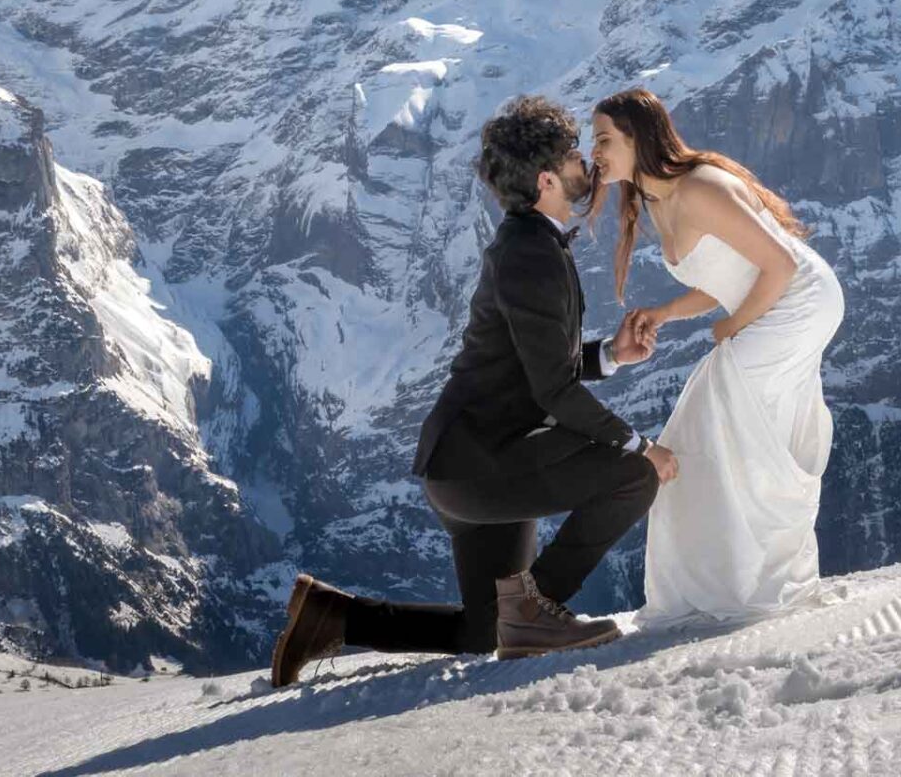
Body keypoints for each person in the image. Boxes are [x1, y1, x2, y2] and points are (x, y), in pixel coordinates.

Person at [272, 95, 678, 686]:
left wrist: (611, 355)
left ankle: (330, 617)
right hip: (485, 464)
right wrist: (644, 447)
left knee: (484, 631)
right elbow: (555, 395)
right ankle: (537, 616)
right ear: (546, 180)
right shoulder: (531, 255)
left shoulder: (527, 242)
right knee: (634, 476)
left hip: (472, 462)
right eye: (570, 156)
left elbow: (534, 368)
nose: (582, 163)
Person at [588, 86, 843, 629]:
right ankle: (736, 581)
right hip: (771, 301)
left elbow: (779, 266)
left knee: (713, 419)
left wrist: (732, 325)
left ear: (638, 137)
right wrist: (665, 313)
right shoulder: (655, 200)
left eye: (605, 139)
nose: (596, 152)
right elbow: (727, 273)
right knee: (723, 433)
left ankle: (742, 584)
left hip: (800, 301)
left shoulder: (699, 187)